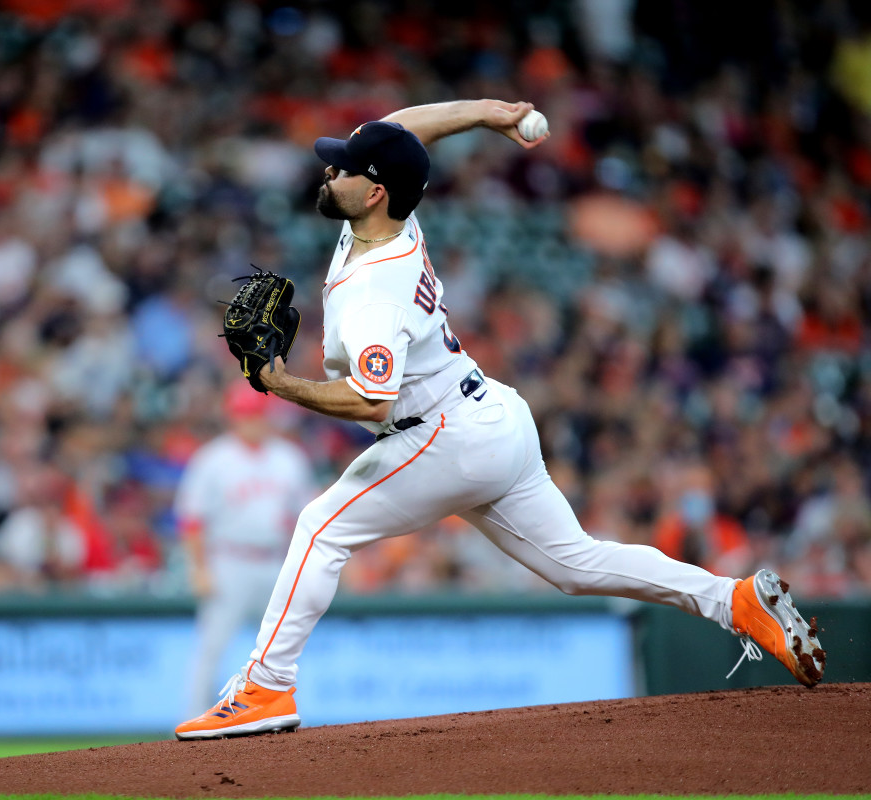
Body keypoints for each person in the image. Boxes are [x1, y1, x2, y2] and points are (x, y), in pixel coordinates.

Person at [174, 100, 826, 740]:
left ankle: (265, 686)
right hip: (489, 416)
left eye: (343, 168)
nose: (328, 171)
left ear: (374, 192)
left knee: (321, 528)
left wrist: (280, 383)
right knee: (578, 565)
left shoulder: (375, 285)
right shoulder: (386, 214)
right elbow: (404, 129)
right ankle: (735, 601)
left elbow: (371, 401)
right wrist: (491, 111)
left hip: (440, 435)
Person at [174, 381, 315, 715]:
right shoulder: (213, 459)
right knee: (212, 648)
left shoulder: (289, 457)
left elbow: (308, 515)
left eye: (258, 415)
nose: (253, 421)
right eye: (247, 415)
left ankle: (284, 715)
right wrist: (199, 569)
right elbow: (191, 520)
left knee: (283, 648)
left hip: (275, 561)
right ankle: (192, 718)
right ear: (234, 417)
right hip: (229, 561)